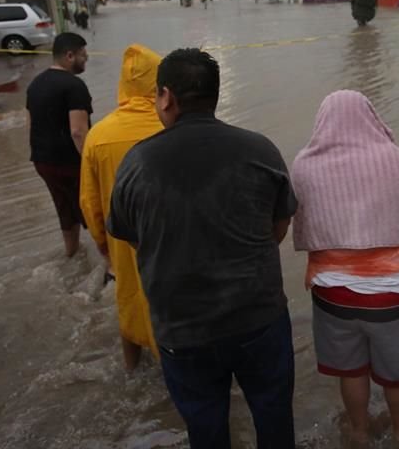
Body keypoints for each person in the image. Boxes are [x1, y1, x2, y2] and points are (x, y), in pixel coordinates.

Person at [106, 48, 297, 449]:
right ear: (214, 94)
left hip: (183, 329)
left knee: (206, 429)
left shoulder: (136, 164)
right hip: (259, 319)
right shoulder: (260, 150)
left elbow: (137, 240)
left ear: (166, 97)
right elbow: (277, 228)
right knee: (274, 418)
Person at [291, 90, 399, 446]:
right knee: (398, 377)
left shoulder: (304, 164)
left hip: (333, 294)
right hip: (395, 296)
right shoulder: (393, 159)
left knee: (351, 371)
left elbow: (300, 220)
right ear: (371, 118)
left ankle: (359, 433)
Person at [80, 44, 162, 371]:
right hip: (168, 234)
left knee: (128, 297)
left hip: (120, 235)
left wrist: (102, 242)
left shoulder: (98, 135)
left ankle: (131, 373)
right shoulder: (171, 124)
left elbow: (89, 200)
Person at [27, 32, 92, 257]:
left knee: (65, 209)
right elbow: (78, 131)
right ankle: (111, 262)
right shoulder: (74, 86)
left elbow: (31, 123)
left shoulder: (35, 84)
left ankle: (72, 254)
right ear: (70, 55)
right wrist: (90, 164)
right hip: (70, 162)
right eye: (84, 55)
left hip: (42, 161)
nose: (87, 59)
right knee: (93, 209)